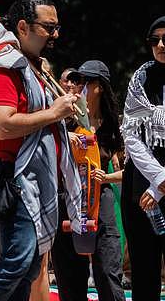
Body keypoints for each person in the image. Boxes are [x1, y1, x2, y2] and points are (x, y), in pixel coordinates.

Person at [0, 0, 79, 301]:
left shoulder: (31, 68)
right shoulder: (2, 66)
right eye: (49, 27)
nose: (56, 35)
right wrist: (55, 113)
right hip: (16, 179)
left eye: (57, 27)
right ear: (22, 27)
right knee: (17, 262)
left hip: (33, 181)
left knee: (28, 267)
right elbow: (1, 125)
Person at [119, 15, 165, 301]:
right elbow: (131, 132)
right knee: (143, 268)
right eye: (154, 40)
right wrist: (156, 177)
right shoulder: (141, 78)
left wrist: (164, 181)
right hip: (141, 184)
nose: (160, 45)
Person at [49, 60, 124, 301]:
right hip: (66, 199)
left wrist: (108, 177)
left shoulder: (112, 125)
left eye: (83, 82)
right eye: (75, 80)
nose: (75, 86)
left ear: (99, 86)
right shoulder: (63, 117)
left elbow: (128, 167)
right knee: (69, 277)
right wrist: (63, 137)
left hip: (100, 200)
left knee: (107, 272)